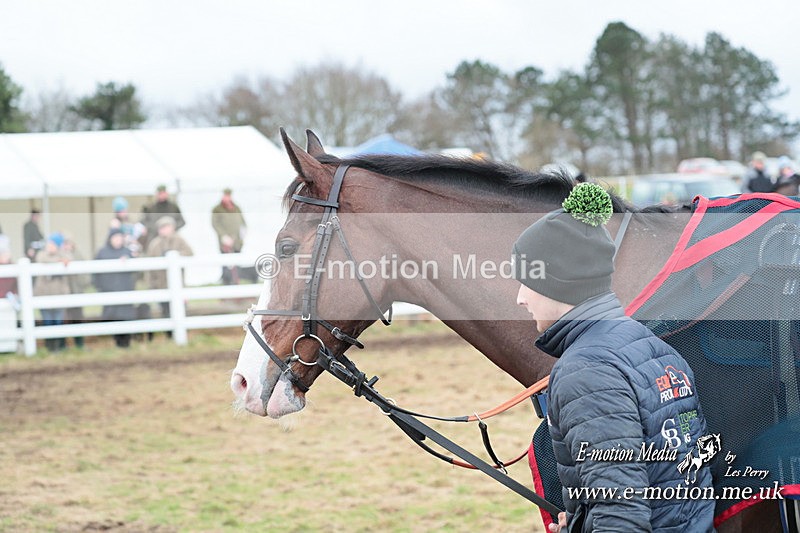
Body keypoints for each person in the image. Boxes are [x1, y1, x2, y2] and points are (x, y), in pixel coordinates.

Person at [512, 183, 715, 532]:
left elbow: (620, 514)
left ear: (553, 282)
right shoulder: (652, 347)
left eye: (525, 282)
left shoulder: (585, 371)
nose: (520, 298)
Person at [145, 217, 193, 324]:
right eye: (162, 228)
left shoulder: (179, 240)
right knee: (165, 310)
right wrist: (151, 285)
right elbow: (149, 267)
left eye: (167, 227)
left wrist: (176, 255)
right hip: (160, 283)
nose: (165, 230)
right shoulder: (155, 244)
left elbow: (189, 253)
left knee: (180, 308)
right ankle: (169, 334)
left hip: (178, 282)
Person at [93, 229, 136, 348]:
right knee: (112, 317)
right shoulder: (102, 253)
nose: (118, 240)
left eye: (120, 237)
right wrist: (99, 287)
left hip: (125, 291)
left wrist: (129, 261)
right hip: (109, 290)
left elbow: (136, 270)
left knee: (126, 317)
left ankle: (126, 343)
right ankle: (117, 342)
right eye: (115, 237)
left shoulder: (127, 252)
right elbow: (95, 272)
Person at [33, 233, 70, 352]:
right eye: (49, 243)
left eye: (53, 244)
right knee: (47, 321)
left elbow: (69, 258)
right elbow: (42, 259)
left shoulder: (64, 255)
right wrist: (58, 260)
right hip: (44, 293)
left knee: (58, 321)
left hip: (58, 294)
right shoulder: (42, 254)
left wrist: (61, 259)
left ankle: (58, 346)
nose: (50, 246)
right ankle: (49, 346)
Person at [211, 187, 247, 284]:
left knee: (237, 263)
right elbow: (215, 224)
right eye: (225, 195)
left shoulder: (236, 207)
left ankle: (237, 283)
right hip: (225, 242)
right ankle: (226, 283)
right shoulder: (217, 209)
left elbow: (242, 221)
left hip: (237, 241)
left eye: (229, 196)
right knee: (226, 264)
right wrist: (223, 236)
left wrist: (243, 231)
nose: (227, 198)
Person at [62, 234, 88, 349]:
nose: (67, 246)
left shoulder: (78, 255)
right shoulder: (59, 255)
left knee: (77, 318)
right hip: (64, 293)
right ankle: (62, 345)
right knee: (64, 319)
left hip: (76, 291)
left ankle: (79, 343)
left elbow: (84, 274)